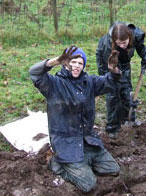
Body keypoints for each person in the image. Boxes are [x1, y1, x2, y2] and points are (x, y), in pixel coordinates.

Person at [29, 46, 120, 193]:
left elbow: (109, 82)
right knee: (89, 184)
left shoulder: (89, 82)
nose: (76, 66)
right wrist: (55, 61)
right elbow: (34, 72)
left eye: (80, 63)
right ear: (65, 63)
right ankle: (56, 164)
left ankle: (83, 162)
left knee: (113, 169)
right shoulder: (54, 84)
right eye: (73, 62)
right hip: (66, 143)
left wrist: (113, 70)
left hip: (87, 140)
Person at [96, 22, 146, 138]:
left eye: (124, 43)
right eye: (119, 43)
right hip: (109, 65)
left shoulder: (135, 35)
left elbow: (140, 46)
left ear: (129, 38)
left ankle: (129, 119)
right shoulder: (107, 45)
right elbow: (111, 69)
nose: (122, 46)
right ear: (114, 40)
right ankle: (112, 127)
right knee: (113, 95)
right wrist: (108, 79)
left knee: (127, 92)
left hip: (125, 63)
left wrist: (145, 56)